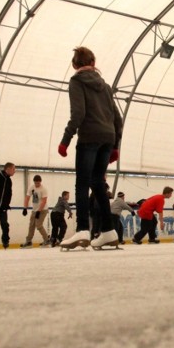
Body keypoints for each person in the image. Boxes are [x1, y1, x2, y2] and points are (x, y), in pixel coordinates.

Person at [58, 46, 123, 250]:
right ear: (93, 63)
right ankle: (108, 231)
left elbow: (78, 113)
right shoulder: (105, 86)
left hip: (90, 137)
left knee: (82, 183)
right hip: (107, 137)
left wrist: (65, 140)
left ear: (75, 65)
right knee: (97, 183)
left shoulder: (76, 81)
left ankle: (83, 229)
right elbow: (117, 118)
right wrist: (115, 145)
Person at [21, 174, 50, 248]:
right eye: (36, 183)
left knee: (39, 225)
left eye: (38, 183)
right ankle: (28, 241)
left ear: (40, 182)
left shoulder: (43, 189)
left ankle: (46, 240)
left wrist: (39, 211)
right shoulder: (31, 187)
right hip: (34, 210)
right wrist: (25, 208)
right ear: (34, 182)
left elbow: (44, 201)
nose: (37, 184)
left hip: (43, 210)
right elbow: (27, 198)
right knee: (31, 225)